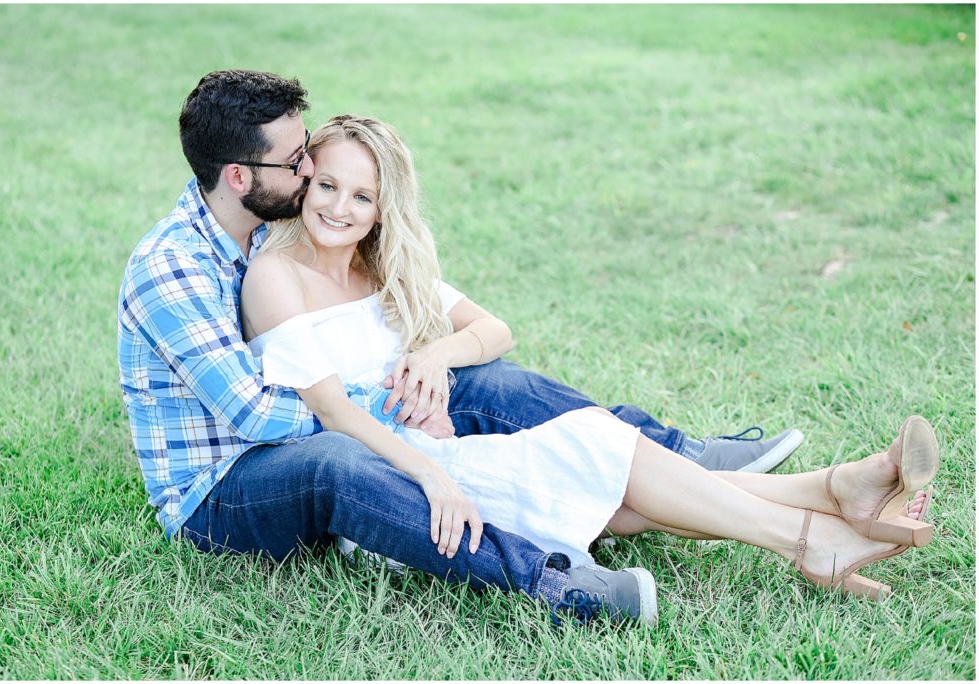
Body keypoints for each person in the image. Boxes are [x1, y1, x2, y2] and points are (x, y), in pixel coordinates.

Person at [114, 70, 845, 627]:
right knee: (340, 461)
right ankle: (554, 582)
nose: (310, 176)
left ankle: (688, 459)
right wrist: (399, 417)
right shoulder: (173, 268)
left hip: (337, 423)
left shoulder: (259, 232)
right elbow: (258, 416)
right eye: (299, 164)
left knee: (484, 382)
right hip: (222, 487)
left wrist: (427, 372)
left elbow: (430, 326)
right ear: (241, 177)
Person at [238, 114, 939, 618]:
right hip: (393, 485)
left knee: (620, 486)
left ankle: (833, 495)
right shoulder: (278, 275)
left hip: (431, 447)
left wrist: (433, 354)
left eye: (362, 196)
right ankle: (811, 533)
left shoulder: (381, 271)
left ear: (384, 208)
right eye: (327, 186)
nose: (338, 207)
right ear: (305, 182)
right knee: (603, 455)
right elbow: (332, 415)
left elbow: (494, 329)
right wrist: (431, 470)